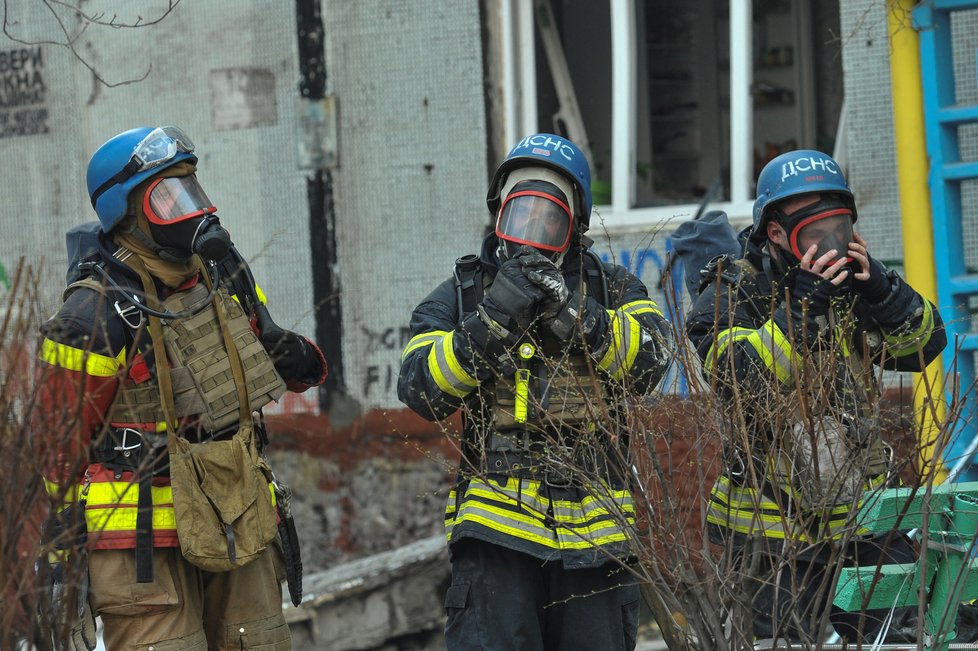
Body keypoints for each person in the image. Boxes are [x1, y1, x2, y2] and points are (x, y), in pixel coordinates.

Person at [35, 125, 327, 650]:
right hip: (141, 545)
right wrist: (55, 557)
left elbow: (272, 350)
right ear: (127, 214)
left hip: (235, 513)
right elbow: (54, 448)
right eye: (168, 198)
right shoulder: (92, 314)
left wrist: (291, 355)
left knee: (257, 642)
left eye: (191, 190)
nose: (193, 210)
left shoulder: (222, 276)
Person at [397, 133, 672, 650]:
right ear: (498, 212)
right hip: (494, 538)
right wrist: (491, 321)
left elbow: (652, 363)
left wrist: (582, 320)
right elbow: (420, 389)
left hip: (597, 538)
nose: (530, 233)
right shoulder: (464, 292)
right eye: (518, 213)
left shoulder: (612, 288)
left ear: (574, 226)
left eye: (548, 219)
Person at [684, 149, 955, 643]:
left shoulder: (854, 285)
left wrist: (884, 291)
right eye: (814, 233)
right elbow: (737, 380)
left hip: (863, 514)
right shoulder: (733, 290)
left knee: (897, 637)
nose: (830, 245)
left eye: (839, 228)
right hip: (770, 532)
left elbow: (920, 349)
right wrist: (801, 312)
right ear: (775, 233)